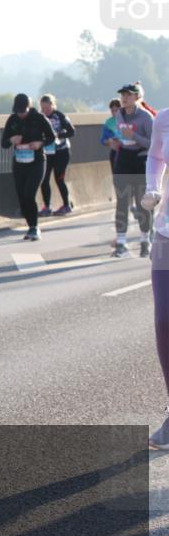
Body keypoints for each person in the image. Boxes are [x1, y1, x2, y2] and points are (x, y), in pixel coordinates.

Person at [144, 107, 169, 450]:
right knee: (165, 321)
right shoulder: (164, 118)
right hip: (166, 237)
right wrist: (153, 187)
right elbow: (155, 156)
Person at [2, 94, 55, 241]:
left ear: (29, 107)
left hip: (37, 161)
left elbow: (52, 136)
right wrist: (11, 139)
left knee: (29, 194)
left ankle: (34, 227)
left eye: (23, 111)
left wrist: (40, 143)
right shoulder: (12, 120)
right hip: (19, 162)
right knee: (21, 196)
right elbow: (4, 143)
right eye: (18, 111)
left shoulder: (39, 118)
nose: (21, 114)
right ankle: (30, 224)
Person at [112, 83, 155, 258]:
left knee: (142, 203)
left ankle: (145, 240)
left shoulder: (146, 118)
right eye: (122, 95)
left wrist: (134, 137)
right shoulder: (119, 115)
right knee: (122, 201)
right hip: (124, 159)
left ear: (137, 97)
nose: (124, 98)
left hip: (142, 159)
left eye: (128, 95)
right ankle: (121, 243)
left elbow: (153, 144)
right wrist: (119, 141)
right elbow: (120, 132)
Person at [38, 94, 76, 216]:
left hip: (62, 152)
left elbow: (72, 131)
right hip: (47, 153)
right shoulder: (40, 117)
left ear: (52, 105)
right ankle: (47, 207)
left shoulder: (60, 116)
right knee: (44, 179)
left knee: (59, 179)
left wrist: (59, 135)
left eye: (47, 107)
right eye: (42, 108)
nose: (45, 110)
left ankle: (66, 205)